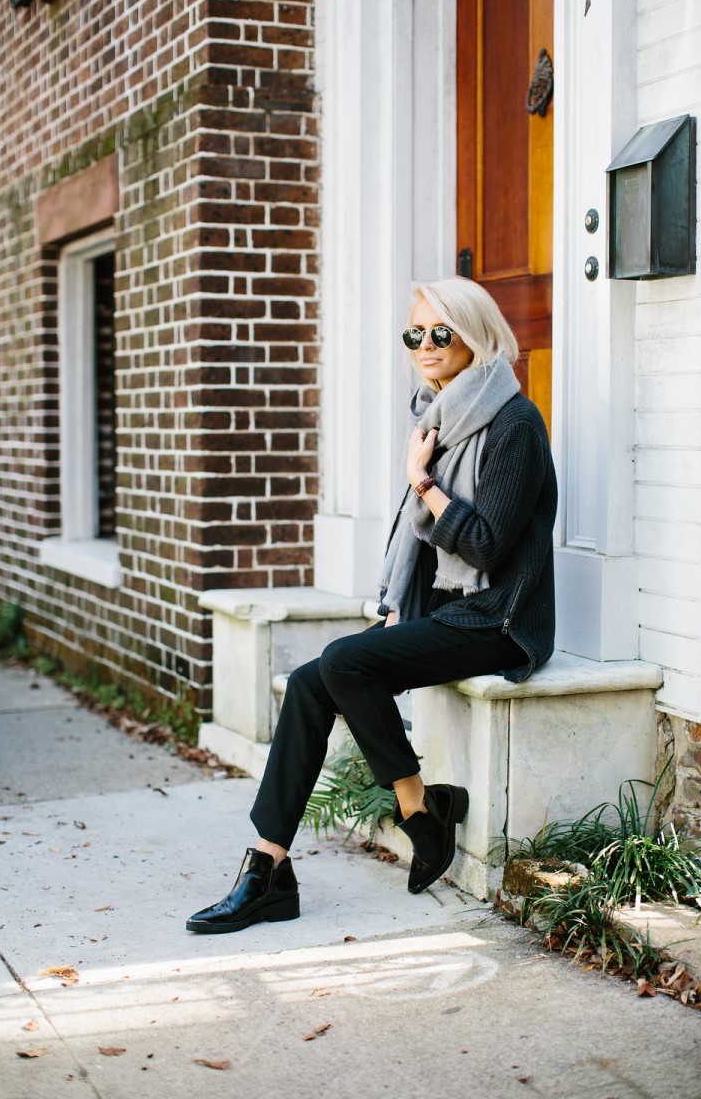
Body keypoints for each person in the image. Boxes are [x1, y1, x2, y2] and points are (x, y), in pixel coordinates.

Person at [187, 275, 557, 934]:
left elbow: (487, 546)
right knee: (311, 682)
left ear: (475, 333)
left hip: (500, 619)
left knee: (343, 663)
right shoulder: (440, 415)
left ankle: (419, 813)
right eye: (415, 334)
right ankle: (268, 870)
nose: (425, 345)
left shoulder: (514, 425)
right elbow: (419, 547)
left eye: (440, 332)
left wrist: (421, 480)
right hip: (446, 613)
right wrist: (397, 611)